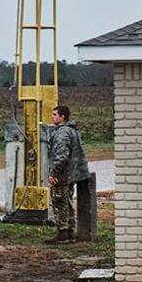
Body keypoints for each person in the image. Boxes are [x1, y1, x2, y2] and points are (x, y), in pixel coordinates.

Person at [45, 104, 90, 244]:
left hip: (63, 174)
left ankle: (62, 233)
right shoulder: (72, 130)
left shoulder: (62, 133)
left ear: (62, 116)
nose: (52, 117)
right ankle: (70, 232)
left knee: (59, 202)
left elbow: (61, 155)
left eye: (54, 114)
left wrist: (54, 172)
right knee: (68, 201)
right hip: (72, 173)